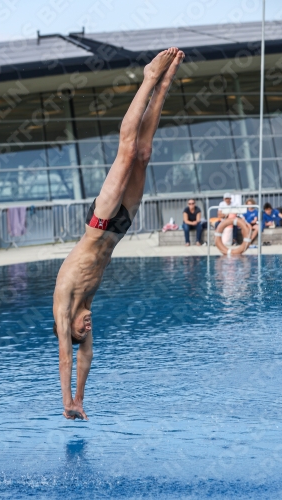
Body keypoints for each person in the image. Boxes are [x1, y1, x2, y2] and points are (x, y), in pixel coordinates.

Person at [53, 48, 185, 421]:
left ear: (71, 329)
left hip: (99, 224)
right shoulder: (88, 313)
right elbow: (87, 356)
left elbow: (68, 356)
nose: (88, 326)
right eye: (86, 329)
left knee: (126, 152)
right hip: (121, 227)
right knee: (144, 154)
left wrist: (65, 400)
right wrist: (82, 399)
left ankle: (148, 78)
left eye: (83, 329)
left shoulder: (64, 308)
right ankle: (166, 83)